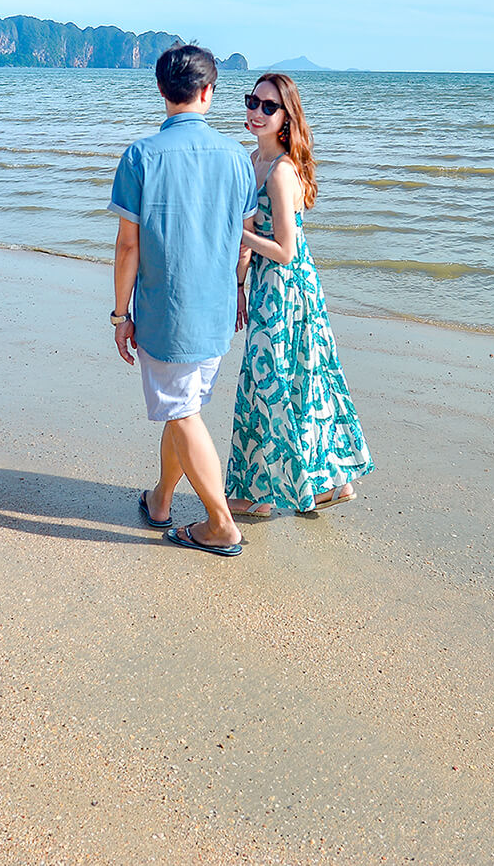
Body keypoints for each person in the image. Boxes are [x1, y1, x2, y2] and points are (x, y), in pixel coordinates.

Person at [108, 44, 259, 556]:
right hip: (216, 311)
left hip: (165, 312)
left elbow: (128, 247)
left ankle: (221, 524)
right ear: (208, 92)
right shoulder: (237, 157)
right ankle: (161, 500)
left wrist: (120, 314)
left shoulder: (141, 156)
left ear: (161, 90)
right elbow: (243, 242)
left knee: (182, 412)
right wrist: (237, 289)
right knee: (184, 408)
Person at [226, 73, 372, 516]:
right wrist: (238, 286)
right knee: (279, 381)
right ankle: (299, 488)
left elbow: (286, 251)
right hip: (264, 284)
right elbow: (252, 237)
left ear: (286, 118)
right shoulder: (252, 159)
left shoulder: (281, 171)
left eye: (268, 106)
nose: (257, 111)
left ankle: (269, 492)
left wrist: (232, 233)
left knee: (277, 382)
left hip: (288, 289)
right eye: (253, 101)